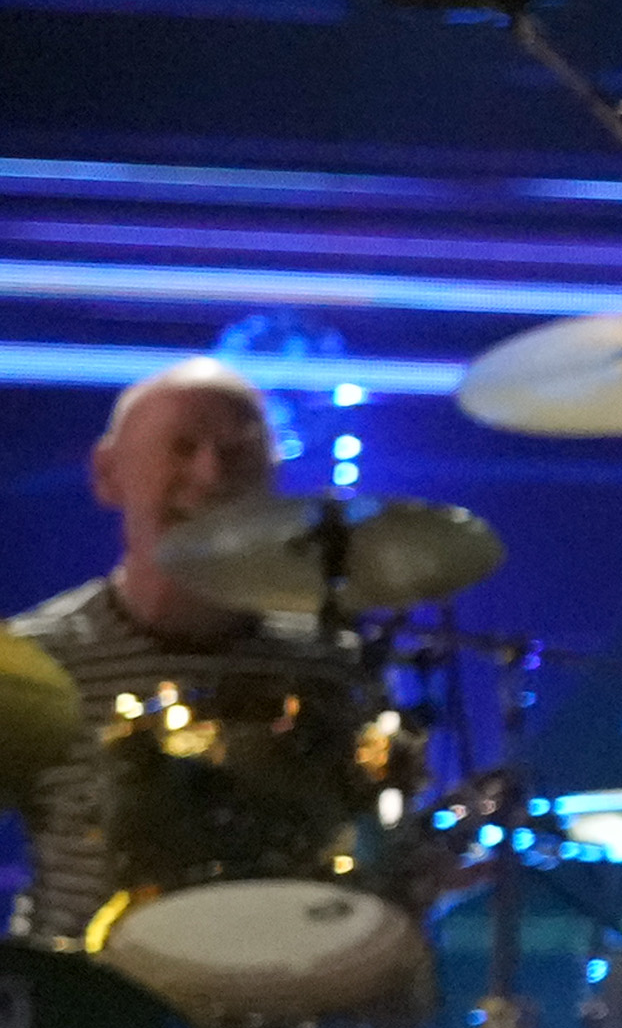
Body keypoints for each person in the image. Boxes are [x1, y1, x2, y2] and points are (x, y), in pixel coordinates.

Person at [10, 360, 364, 943]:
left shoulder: (329, 662)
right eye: (182, 447)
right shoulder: (34, 663)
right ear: (107, 474)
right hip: (84, 1011)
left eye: (238, 452)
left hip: (280, 994)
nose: (211, 472)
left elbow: (364, 858)